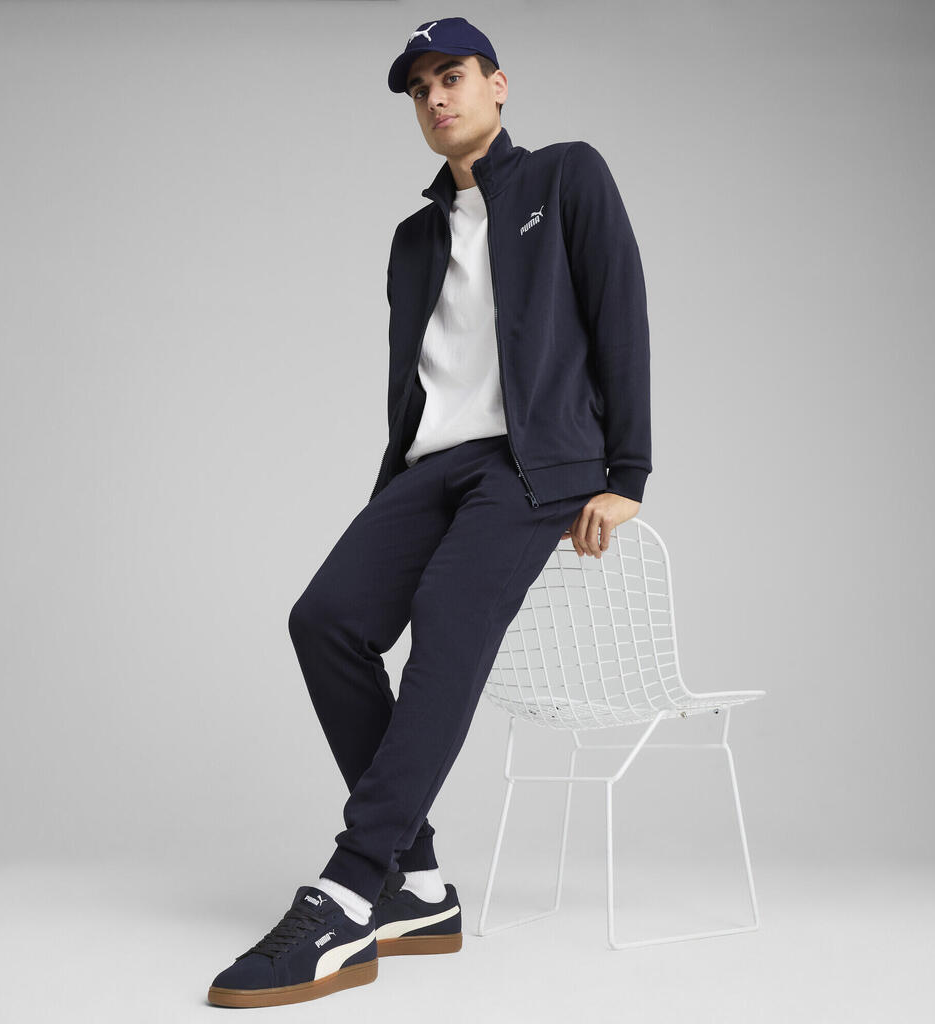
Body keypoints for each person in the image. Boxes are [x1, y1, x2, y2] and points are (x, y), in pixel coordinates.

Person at [207, 16, 651, 1009]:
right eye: (419, 89)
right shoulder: (414, 239)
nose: (436, 98)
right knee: (325, 621)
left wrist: (628, 472)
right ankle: (418, 886)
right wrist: (393, 498)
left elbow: (620, 311)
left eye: (452, 76)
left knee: (447, 622)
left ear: (498, 83)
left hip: (532, 463)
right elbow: (419, 380)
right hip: (428, 467)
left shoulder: (566, 178)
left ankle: (350, 886)